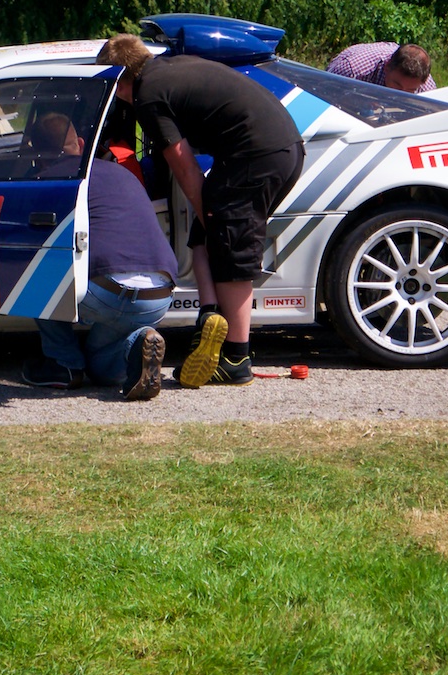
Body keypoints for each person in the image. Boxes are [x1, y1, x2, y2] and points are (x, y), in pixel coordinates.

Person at [95, 33, 303, 388]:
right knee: (206, 234)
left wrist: (208, 213)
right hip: (274, 148)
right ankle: (209, 319)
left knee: (230, 242)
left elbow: (185, 167)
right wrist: (207, 217)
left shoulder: (148, 96)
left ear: (119, 77)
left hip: (257, 155)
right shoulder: (167, 69)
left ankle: (237, 357)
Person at [21, 112, 177, 401]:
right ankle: (139, 342)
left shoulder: (49, 182)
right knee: (102, 365)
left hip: (105, 292)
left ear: (36, 154)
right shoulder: (122, 173)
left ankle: (63, 363)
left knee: (34, 265)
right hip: (159, 294)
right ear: (81, 143)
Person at [326, 42, 437, 93]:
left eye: (410, 90)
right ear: (387, 66)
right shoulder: (352, 70)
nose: (400, 94)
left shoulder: (428, 90)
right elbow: (323, 95)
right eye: (397, 85)